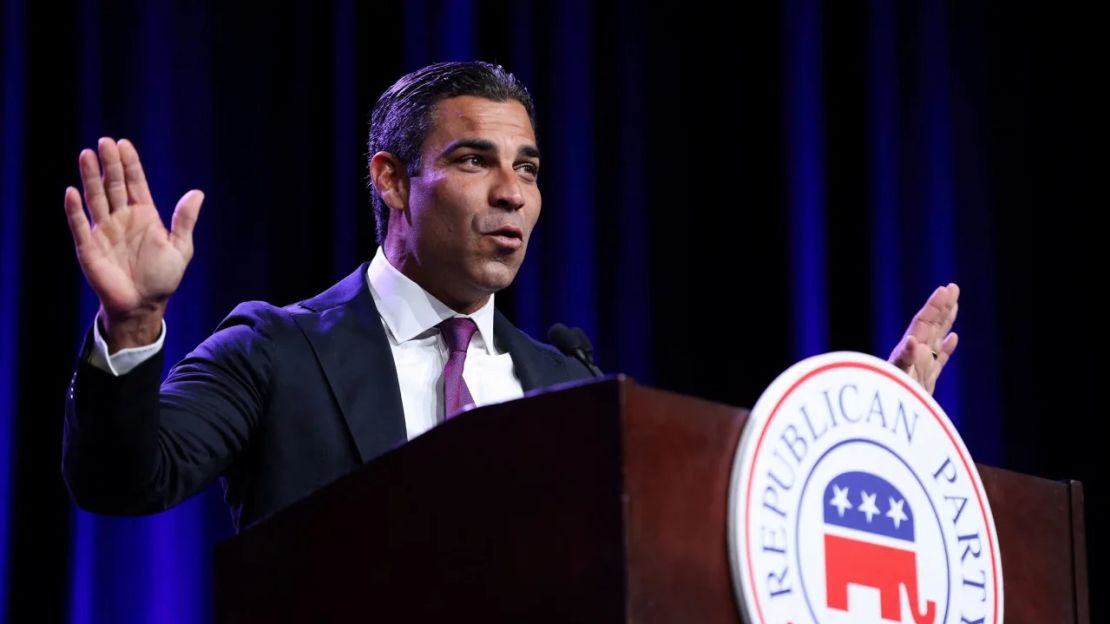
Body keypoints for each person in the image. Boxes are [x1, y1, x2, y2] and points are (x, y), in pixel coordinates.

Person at [61, 61, 959, 531]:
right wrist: (135, 322)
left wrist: (871, 430)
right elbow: (123, 480)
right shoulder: (276, 351)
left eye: (526, 168)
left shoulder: (568, 385)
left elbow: (706, 527)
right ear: (391, 180)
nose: (512, 194)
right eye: (473, 160)